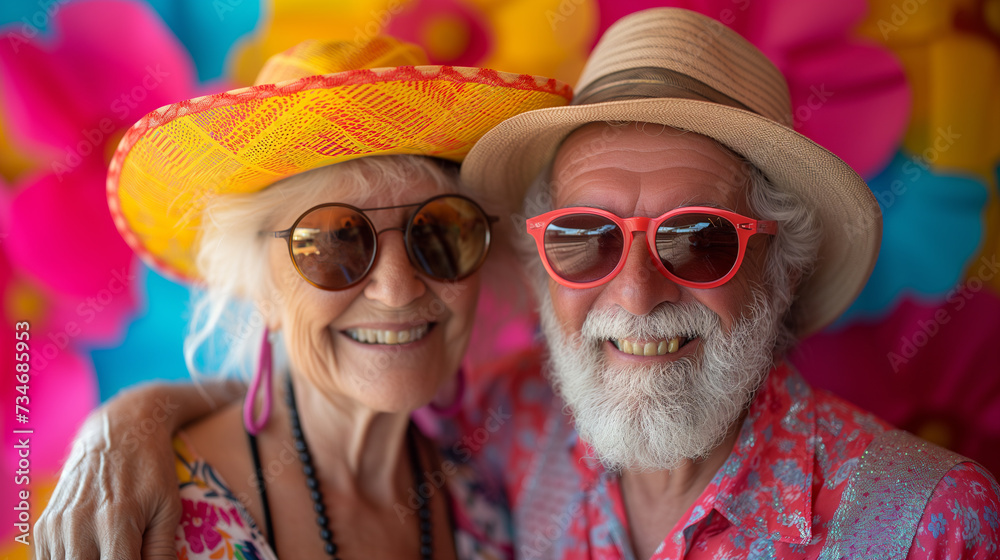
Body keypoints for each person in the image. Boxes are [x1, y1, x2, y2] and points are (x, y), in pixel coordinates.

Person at [36, 8, 1000, 560]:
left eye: (698, 240)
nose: (633, 295)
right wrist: (130, 427)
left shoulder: (471, 460)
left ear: (780, 267)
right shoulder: (509, 434)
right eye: (332, 246)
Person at [31, 36, 572, 560]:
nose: (399, 287)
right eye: (334, 241)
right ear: (261, 288)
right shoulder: (148, 518)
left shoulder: (487, 507)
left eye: (439, 232)